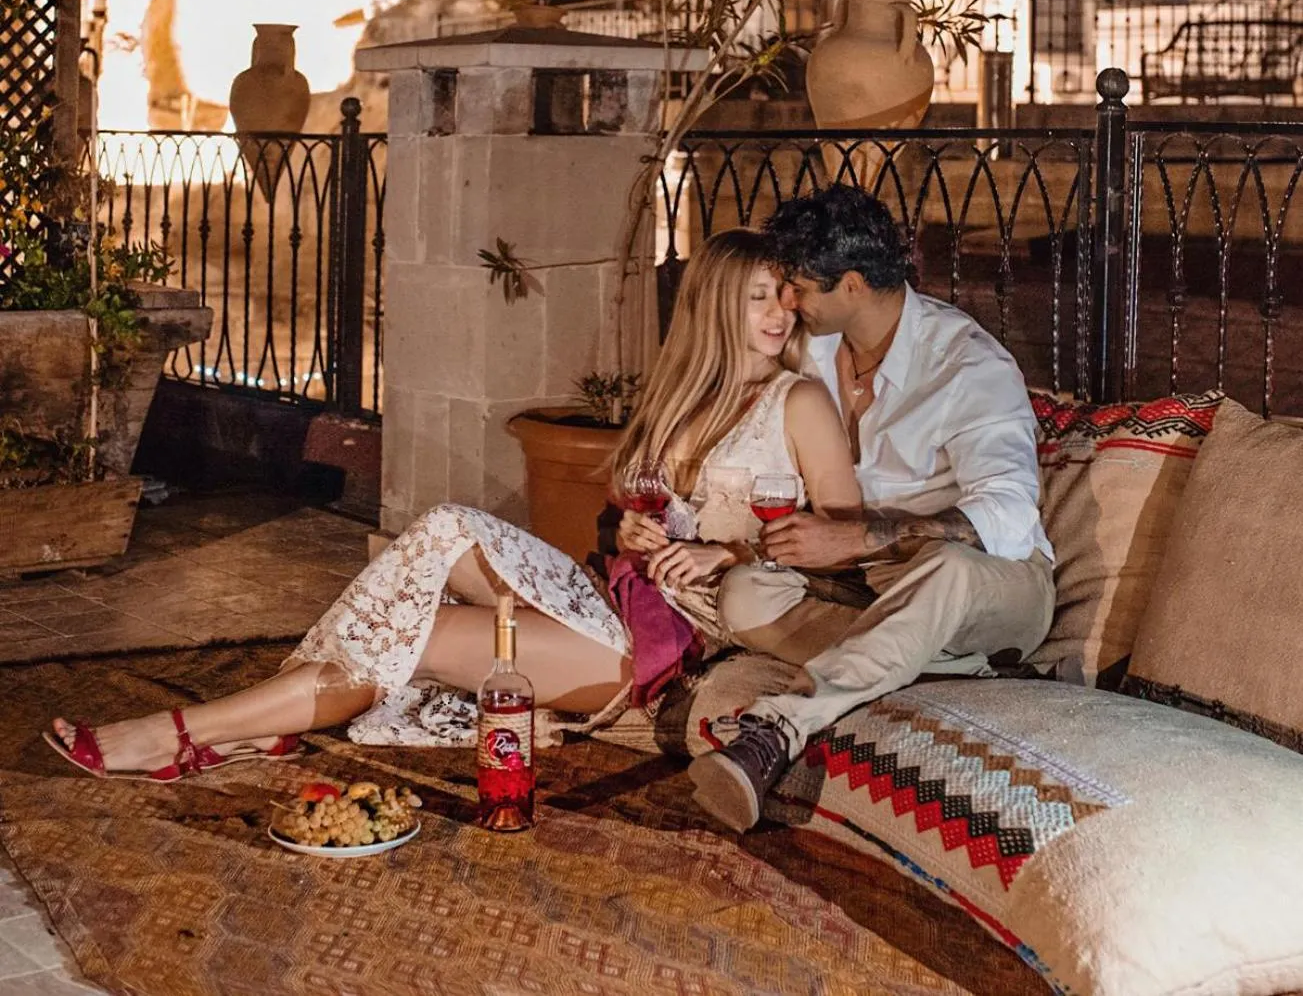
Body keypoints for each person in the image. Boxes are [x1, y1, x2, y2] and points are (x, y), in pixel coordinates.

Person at [46, 228, 861, 780]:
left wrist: (732, 551)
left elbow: (846, 538)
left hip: (673, 631)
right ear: (715, 303)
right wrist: (633, 524)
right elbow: (619, 510)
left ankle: (184, 733)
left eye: (784, 297)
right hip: (612, 592)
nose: (780, 312)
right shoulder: (680, 395)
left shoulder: (799, 404)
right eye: (759, 296)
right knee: (441, 536)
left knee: (416, 629)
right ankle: (256, 720)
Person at [689, 185, 1054, 832]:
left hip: (992, 587)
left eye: (799, 286)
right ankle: (932, 666)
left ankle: (780, 726)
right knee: (744, 593)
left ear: (851, 284)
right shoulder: (816, 348)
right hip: (869, 586)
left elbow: (1005, 514)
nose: (787, 302)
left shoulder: (966, 366)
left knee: (946, 564)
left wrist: (859, 538)